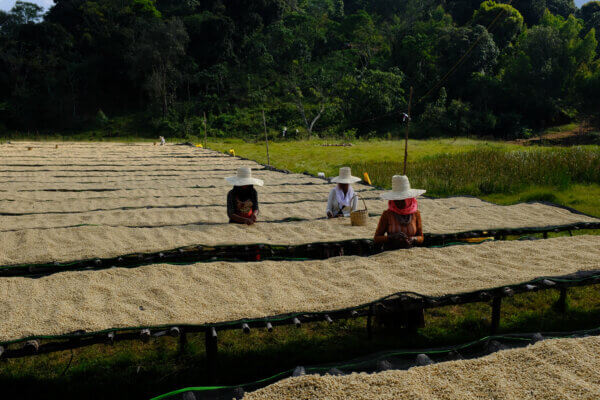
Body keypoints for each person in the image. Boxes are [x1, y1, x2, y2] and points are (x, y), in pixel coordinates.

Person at [374, 175, 425, 249]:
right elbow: (376, 238)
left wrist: (414, 239)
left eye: (402, 199)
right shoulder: (387, 214)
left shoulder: (415, 214)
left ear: (408, 199)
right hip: (391, 250)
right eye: (396, 199)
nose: (398, 202)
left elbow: (421, 237)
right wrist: (391, 237)